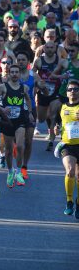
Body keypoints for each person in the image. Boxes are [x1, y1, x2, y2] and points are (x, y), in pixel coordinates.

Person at [0, 64, 33, 189]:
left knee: (20, 146)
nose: (15, 74)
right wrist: (3, 109)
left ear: (19, 74)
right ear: (9, 74)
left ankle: (19, 171)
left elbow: (28, 99)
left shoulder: (24, 88)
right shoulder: (3, 87)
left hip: (20, 121)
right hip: (7, 122)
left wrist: (30, 113)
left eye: (17, 72)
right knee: (9, 150)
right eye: (12, 72)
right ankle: (10, 171)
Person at [54, 79, 79, 218]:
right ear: (67, 92)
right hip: (68, 145)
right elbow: (57, 125)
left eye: (75, 89)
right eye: (70, 89)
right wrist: (56, 130)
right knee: (70, 170)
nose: (73, 92)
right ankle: (69, 201)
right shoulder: (62, 107)